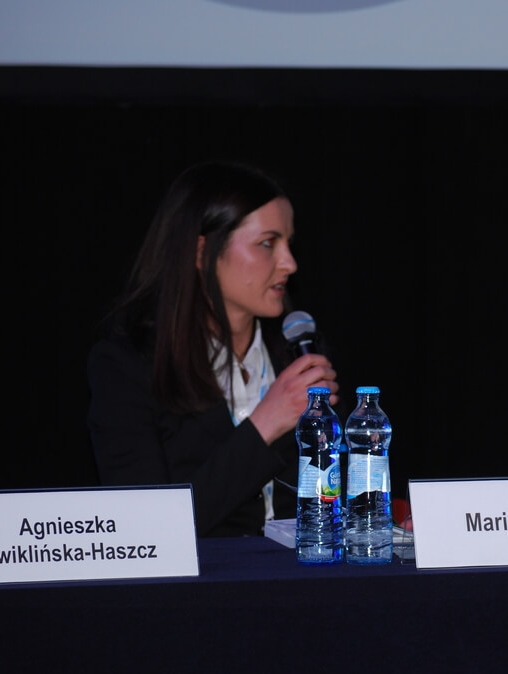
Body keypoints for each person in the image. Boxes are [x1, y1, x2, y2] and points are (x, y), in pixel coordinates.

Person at [88, 161, 340, 536]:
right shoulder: (128, 366)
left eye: (289, 243)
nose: (289, 263)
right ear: (202, 251)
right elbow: (144, 531)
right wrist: (264, 425)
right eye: (268, 243)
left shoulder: (297, 353)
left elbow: (338, 493)